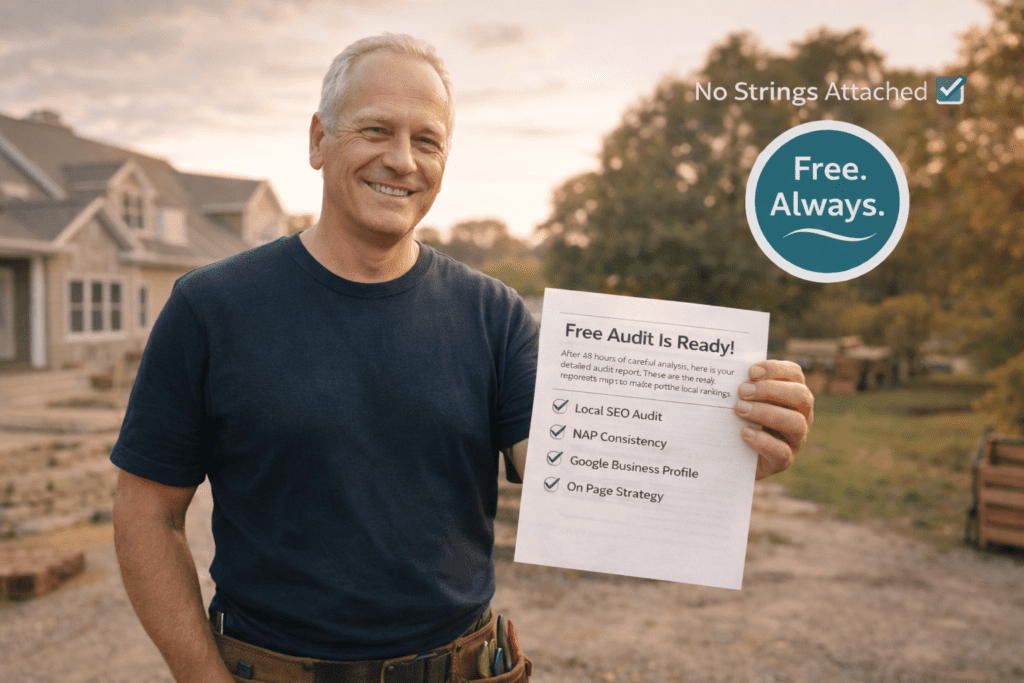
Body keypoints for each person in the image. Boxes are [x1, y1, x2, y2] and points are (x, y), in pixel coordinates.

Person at [111, 33, 814, 683]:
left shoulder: (495, 314)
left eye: (428, 140)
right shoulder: (211, 308)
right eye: (376, 129)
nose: (403, 160)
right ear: (319, 139)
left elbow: (567, 464)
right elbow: (147, 512)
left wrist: (732, 437)